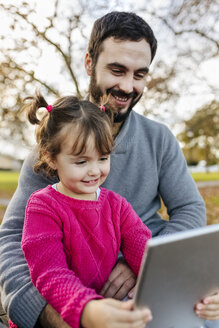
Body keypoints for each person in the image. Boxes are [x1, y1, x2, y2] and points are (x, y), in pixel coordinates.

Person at [0, 10, 215, 328]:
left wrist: (152, 271)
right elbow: (18, 242)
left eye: (139, 74)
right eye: (117, 70)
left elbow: (188, 210)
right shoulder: (52, 148)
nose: (128, 87)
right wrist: (57, 315)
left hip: (148, 288)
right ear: (89, 63)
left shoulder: (158, 140)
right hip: (73, 300)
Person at [8, 93, 152, 328]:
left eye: (103, 158)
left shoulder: (117, 206)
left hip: (102, 313)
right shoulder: (43, 206)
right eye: (81, 161)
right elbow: (51, 274)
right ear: (51, 158)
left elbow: (145, 253)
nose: (95, 171)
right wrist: (87, 309)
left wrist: (186, 288)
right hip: (59, 317)